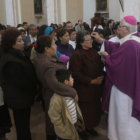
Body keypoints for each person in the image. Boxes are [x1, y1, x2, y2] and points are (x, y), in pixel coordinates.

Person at [92, 15, 140, 140]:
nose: (117, 29)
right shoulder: (134, 39)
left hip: (125, 89)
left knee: (123, 115)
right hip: (133, 84)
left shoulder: (130, 44)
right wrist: (102, 41)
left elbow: (118, 64)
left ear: (127, 29)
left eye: (119, 27)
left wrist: (107, 57)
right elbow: (118, 47)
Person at [33, 35, 77, 140]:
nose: (56, 46)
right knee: (57, 123)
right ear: (46, 49)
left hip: (50, 94)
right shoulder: (48, 65)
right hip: (55, 96)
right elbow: (55, 85)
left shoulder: (43, 58)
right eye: (53, 44)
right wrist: (72, 92)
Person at [0, 27, 38, 140]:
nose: (23, 43)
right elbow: (21, 82)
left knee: (24, 126)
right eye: (20, 41)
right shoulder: (10, 61)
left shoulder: (16, 54)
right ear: (12, 44)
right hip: (19, 99)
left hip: (22, 97)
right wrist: (33, 89)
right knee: (22, 128)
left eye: (22, 40)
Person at [69, 31, 104, 137]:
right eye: (88, 40)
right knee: (84, 111)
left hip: (95, 88)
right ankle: (81, 130)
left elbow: (99, 64)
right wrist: (91, 81)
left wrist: (101, 76)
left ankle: (90, 127)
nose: (91, 41)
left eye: (91, 39)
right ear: (81, 43)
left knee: (93, 110)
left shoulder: (93, 51)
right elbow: (76, 73)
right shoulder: (77, 55)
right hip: (83, 88)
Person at [48, 69, 85, 140]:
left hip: (72, 125)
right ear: (66, 82)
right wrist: (63, 130)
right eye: (71, 77)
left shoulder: (70, 93)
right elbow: (54, 117)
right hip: (64, 132)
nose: (73, 79)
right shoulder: (56, 99)